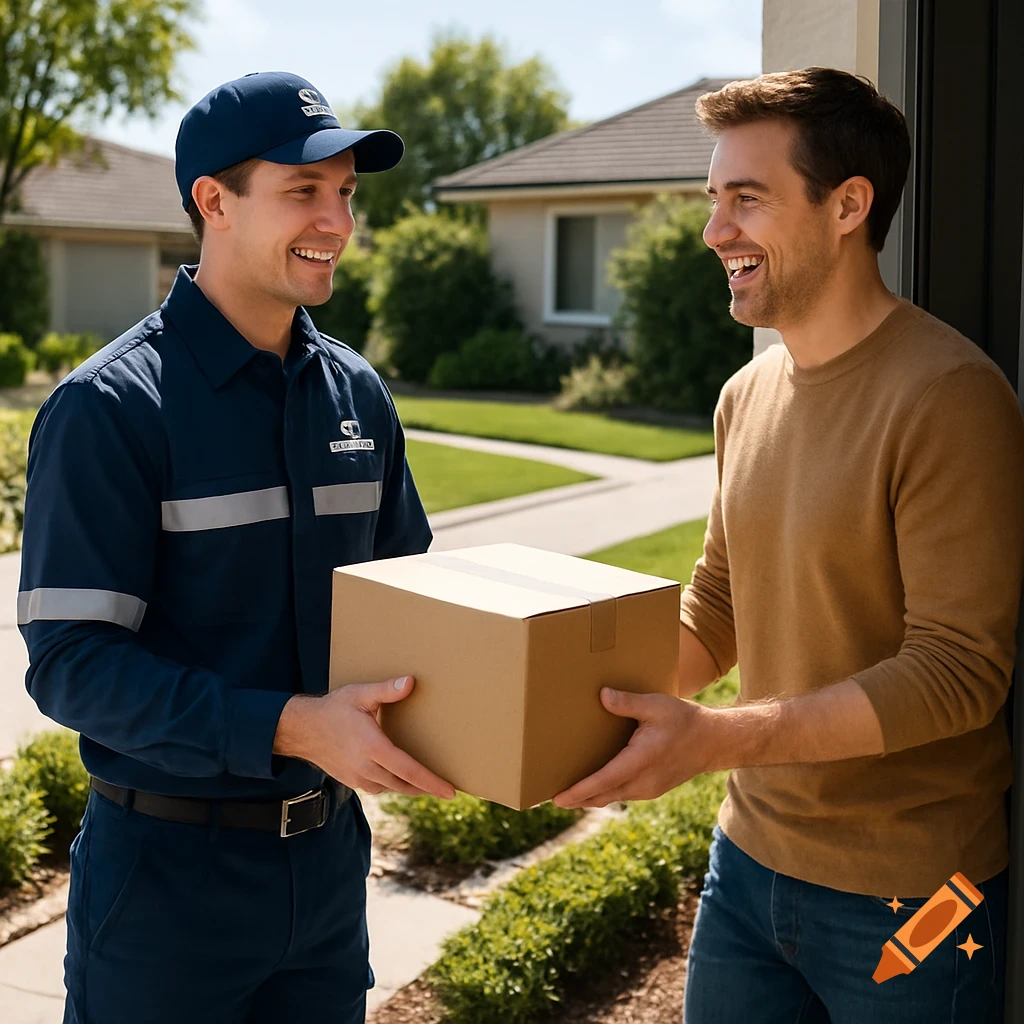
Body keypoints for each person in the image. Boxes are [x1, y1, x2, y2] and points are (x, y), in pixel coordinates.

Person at [554, 67, 1024, 1023]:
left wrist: (718, 738)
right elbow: (717, 606)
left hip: (918, 897)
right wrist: (561, 710)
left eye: (747, 199)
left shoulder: (949, 397)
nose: (713, 230)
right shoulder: (748, 394)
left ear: (849, 205)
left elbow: (959, 671)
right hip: (748, 865)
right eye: (714, 199)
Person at [17, 71, 455, 1024]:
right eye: (303, 190)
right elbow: (72, 667)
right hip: (166, 890)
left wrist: (497, 726)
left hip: (329, 869)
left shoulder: (358, 399)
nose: (336, 220)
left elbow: (415, 608)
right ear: (213, 202)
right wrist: (292, 726)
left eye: (345, 192)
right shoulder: (108, 411)